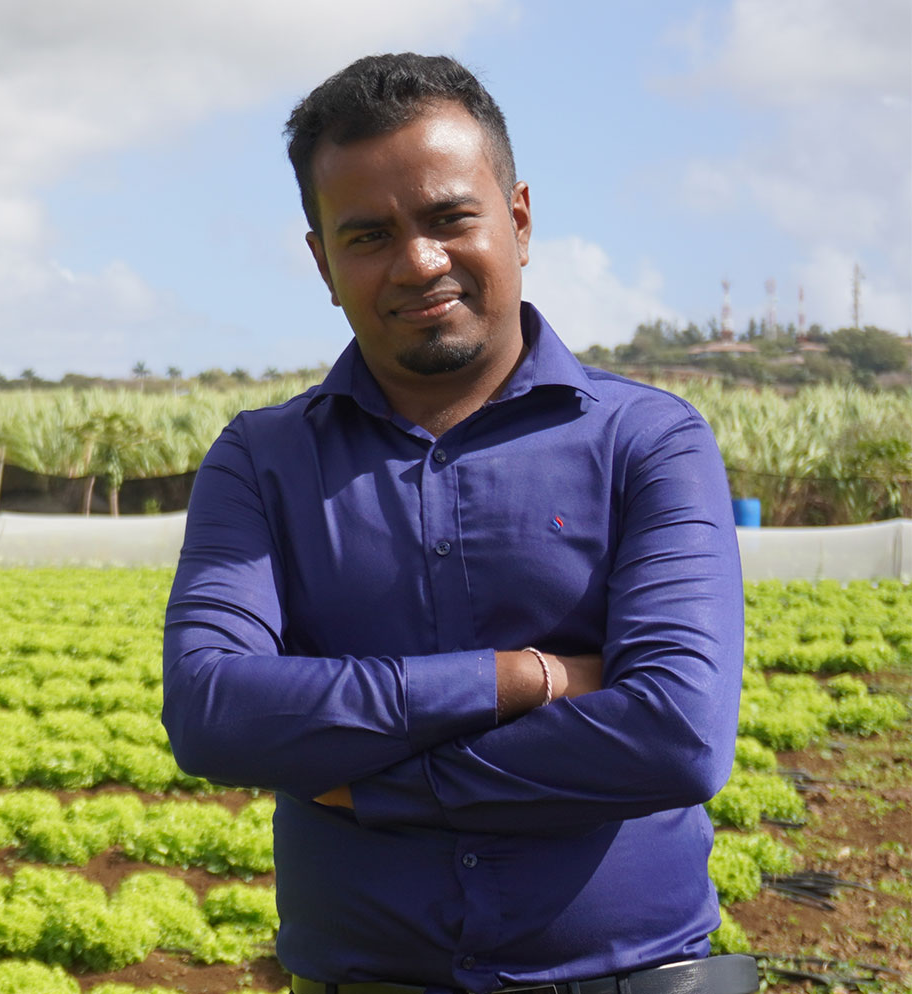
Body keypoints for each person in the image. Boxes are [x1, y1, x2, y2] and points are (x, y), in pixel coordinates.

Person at [162, 53, 755, 994]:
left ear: (517, 217)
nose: (418, 262)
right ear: (322, 261)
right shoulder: (262, 461)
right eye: (368, 235)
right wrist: (524, 679)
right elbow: (213, 713)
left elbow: (677, 734)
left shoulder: (649, 440)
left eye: (449, 218)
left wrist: (381, 784)